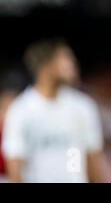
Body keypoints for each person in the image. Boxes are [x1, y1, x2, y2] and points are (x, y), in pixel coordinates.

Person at [2, 38, 104, 182]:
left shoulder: (82, 106)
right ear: (46, 65)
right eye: (66, 58)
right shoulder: (22, 110)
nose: (73, 64)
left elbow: (92, 158)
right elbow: (15, 161)